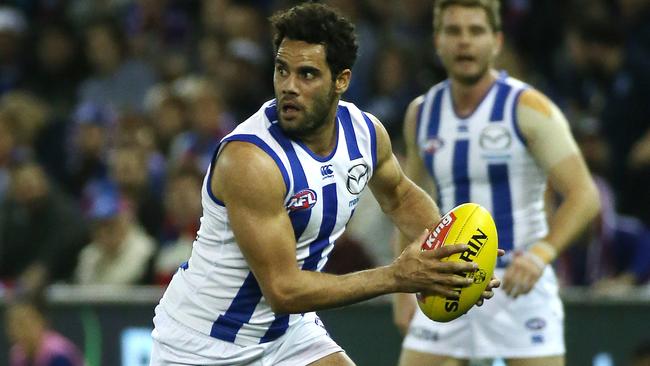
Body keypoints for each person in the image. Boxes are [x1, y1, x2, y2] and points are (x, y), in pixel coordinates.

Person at [150, 3, 501, 365]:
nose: (289, 87)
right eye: (282, 70)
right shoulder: (251, 161)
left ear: (341, 80)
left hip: (287, 332)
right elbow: (283, 289)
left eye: (307, 74)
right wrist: (397, 277)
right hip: (204, 343)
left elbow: (399, 197)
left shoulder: (364, 133)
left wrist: (453, 262)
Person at [394, 1, 600, 365]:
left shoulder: (528, 107)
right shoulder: (421, 113)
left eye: (476, 31)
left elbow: (584, 195)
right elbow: (406, 204)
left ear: (497, 41)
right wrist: (403, 290)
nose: (464, 42)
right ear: (437, 41)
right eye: (454, 31)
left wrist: (541, 255)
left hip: (520, 284)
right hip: (446, 281)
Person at [5, 293, 85, 366]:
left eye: (25, 323)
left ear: (41, 321)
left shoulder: (58, 353)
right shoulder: (17, 355)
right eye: (15, 324)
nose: (20, 330)